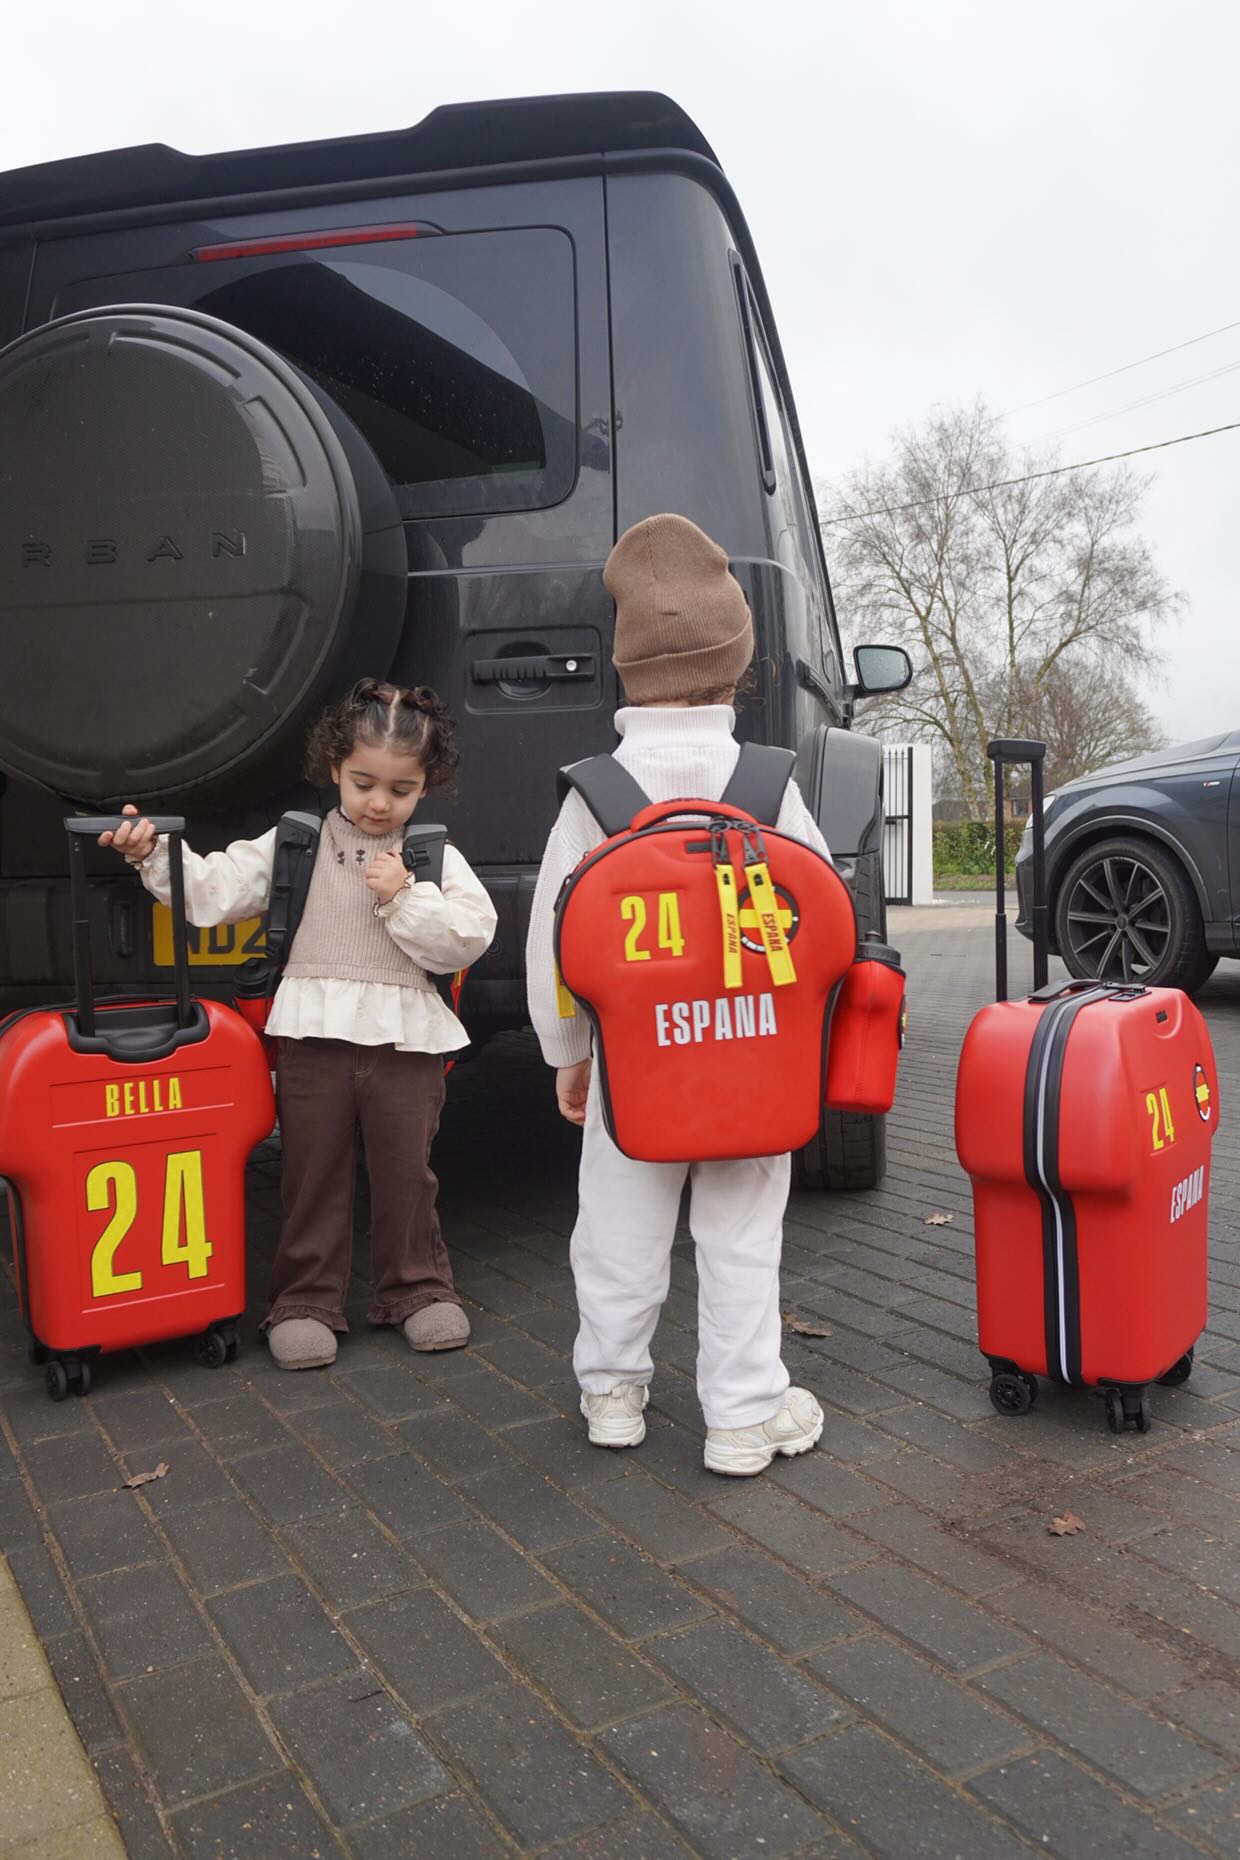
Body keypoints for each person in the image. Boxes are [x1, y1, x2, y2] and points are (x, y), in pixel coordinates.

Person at [526, 514, 830, 1476]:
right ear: (737, 663)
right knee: (741, 1237)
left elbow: (554, 943)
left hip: (635, 1069)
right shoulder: (767, 780)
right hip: (750, 1062)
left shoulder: (597, 792)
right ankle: (743, 1414)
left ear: (628, 671)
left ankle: (612, 1391)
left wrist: (568, 1055)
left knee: (617, 1225)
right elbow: (824, 922)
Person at [100, 679, 497, 1371]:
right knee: (312, 1174)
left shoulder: (431, 855)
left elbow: (467, 937)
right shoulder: (298, 843)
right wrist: (148, 854)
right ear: (335, 767)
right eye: (363, 782)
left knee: (409, 1173)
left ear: (425, 785)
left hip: (406, 1042)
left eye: (399, 790)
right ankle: (307, 1301)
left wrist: (404, 895)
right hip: (313, 1039)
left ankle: (418, 1289)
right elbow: (218, 890)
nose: (379, 803)